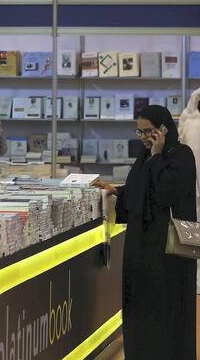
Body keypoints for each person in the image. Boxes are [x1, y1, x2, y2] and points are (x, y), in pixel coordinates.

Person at [93, 105, 197, 359]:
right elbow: (139, 191)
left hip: (167, 249)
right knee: (140, 306)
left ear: (163, 129)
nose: (143, 138)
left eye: (148, 131)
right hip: (141, 246)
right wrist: (116, 190)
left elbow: (165, 194)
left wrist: (159, 155)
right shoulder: (145, 157)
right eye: (139, 132)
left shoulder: (181, 155)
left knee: (165, 309)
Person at [178, 87, 200, 293]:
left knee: (192, 235)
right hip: (192, 187)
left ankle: (195, 281)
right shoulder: (190, 124)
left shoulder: (188, 123)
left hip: (190, 189)